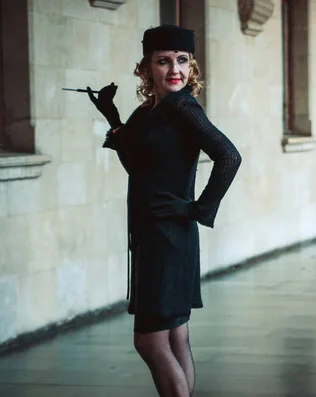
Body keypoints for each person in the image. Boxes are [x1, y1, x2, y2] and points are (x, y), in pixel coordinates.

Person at [86, 24, 242, 397]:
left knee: (151, 342)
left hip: (167, 239)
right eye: (164, 61)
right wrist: (112, 117)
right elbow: (139, 165)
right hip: (153, 236)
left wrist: (196, 210)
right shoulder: (151, 110)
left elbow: (229, 156)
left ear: (192, 67)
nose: (175, 69)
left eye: (183, 60)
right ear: (145, 69)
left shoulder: (183, 108)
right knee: (174, 337)